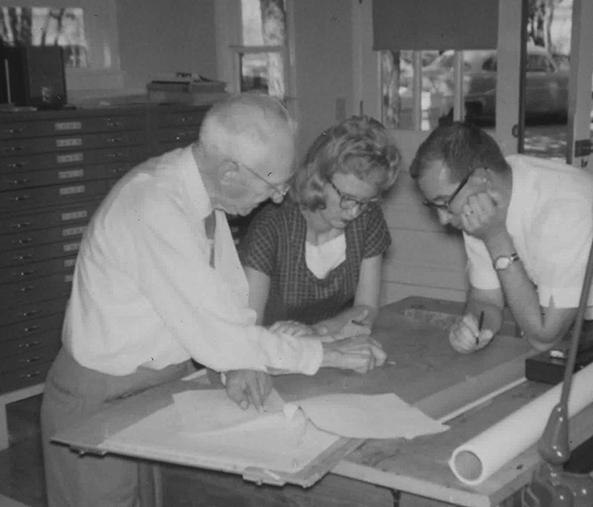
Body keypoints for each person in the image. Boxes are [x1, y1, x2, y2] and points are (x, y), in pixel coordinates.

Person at [40, 94, 386, 507]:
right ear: (229, 170)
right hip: (99, 398)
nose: (279, 198)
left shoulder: (205, 202)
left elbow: (227, 306)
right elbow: (218, 334)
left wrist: (237, 363)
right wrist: (330, 354)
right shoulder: (154, 206)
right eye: (273, 184)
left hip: (159, 391)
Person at [410, 121, 593, 354]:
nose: (443, 218)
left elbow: (543, 337)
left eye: (443, 202)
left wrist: (496, 239)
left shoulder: (563, 209)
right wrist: (475, 328)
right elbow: (486, 298)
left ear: (481, 179)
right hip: (588, 315)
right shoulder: (480, 202)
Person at [240, 116, 401, 337]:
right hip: (273, 351)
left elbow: (367, 308)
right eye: (347, 197)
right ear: (317, 179)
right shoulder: (271, 228)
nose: (354, 211)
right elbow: (247, 329)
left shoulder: (368, 218)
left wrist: (318, 331)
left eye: (366, 202)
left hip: (326, 344)